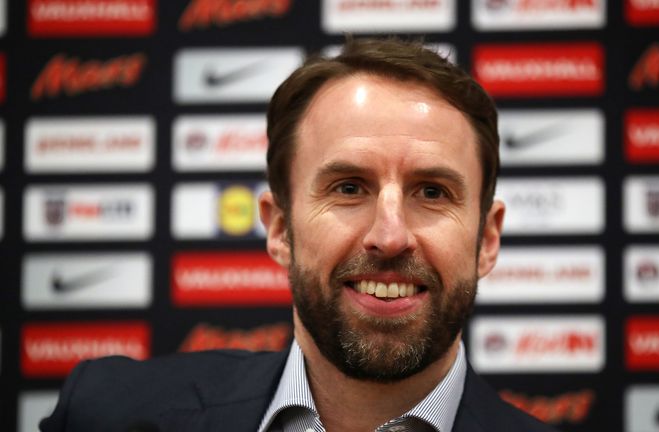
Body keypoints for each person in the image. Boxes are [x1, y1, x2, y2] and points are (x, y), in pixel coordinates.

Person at [41, 38, 559, 432]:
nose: (390, 235)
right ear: (280, 229)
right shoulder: (106, 413)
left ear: (487, 240)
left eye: (432, 193)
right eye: (349, 187)